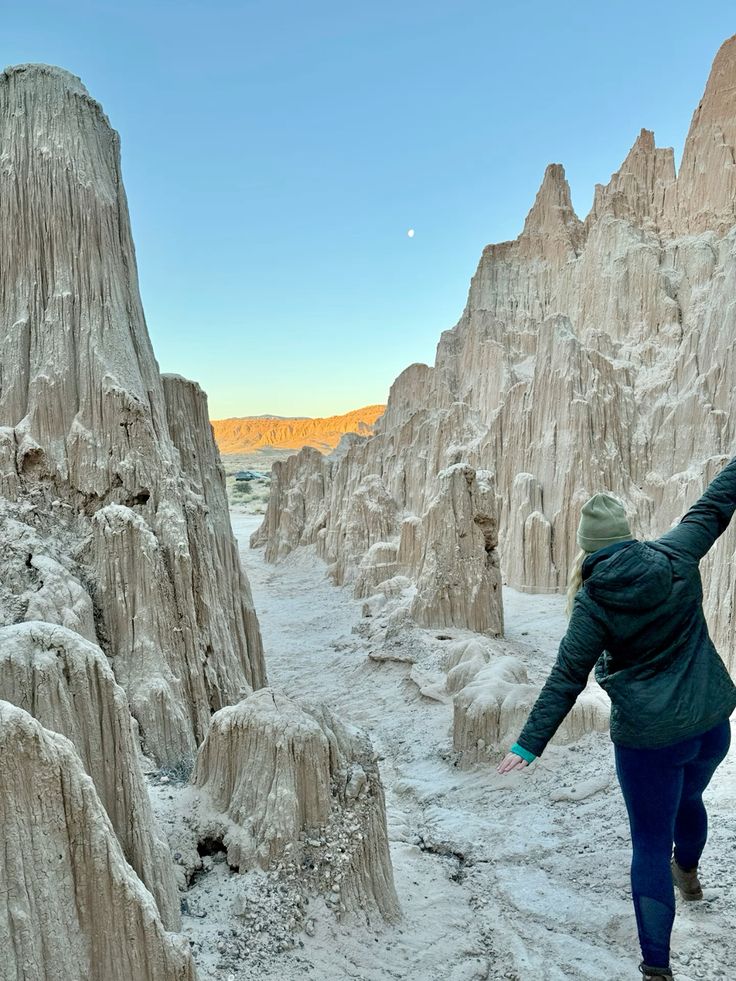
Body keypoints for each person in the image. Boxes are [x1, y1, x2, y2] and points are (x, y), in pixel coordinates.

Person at [497, 461, 736, 981]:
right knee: (690, 800)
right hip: (712, 724)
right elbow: (715, 504)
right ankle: (689, 878)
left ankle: (656, 969)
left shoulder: (593, 602)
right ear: (626, 535)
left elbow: (566, 679)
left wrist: (527, 744)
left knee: (649, 841)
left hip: (650, 741)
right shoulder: (676, 550)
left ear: (587, 548)